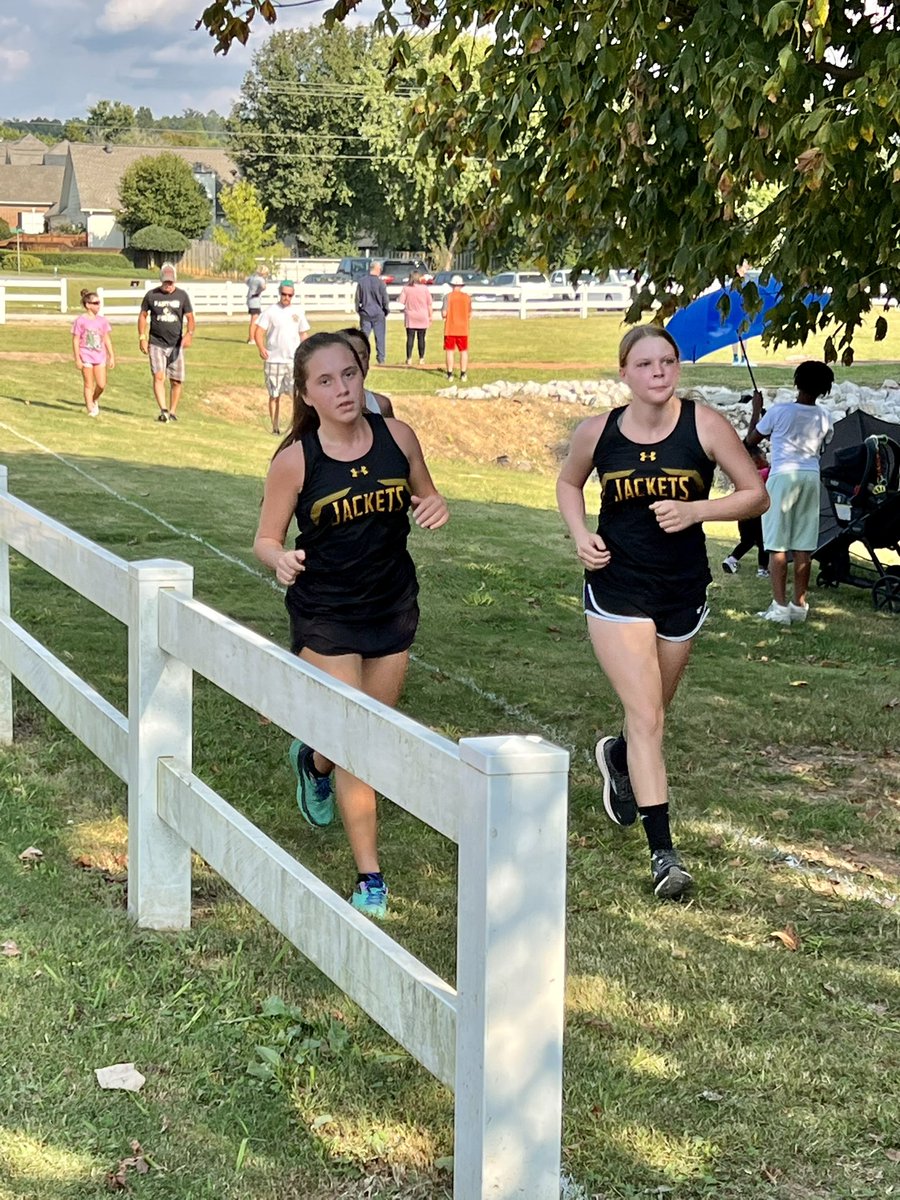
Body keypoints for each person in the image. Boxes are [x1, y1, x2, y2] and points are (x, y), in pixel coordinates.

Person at [556, 325, 768, 899]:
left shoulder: (705, 425)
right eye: (645, 363)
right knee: (648, 716)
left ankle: (618, 756)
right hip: (617, 586)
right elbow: (569, 483)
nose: (658, 372)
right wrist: (580, 533)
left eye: (667, 362)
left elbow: (755, 494)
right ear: (623, 372)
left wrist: (697, 509)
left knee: (649, 713)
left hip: (682, 590)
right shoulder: (597, 432)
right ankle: (664, 857)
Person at [253, 332, 449, 919]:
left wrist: (435, 505)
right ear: (306, 393)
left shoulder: (398, 437)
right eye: (326, 381)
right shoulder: (296, 460)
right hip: (326, 612)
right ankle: (371, 879)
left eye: (349, 375)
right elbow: (266, 539)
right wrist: (280, 559)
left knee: (371, 734)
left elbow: (428, 495)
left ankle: (313, 761)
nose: (342, 389)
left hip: (391, 605)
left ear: (363, 376)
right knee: (359, 740)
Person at [746, 360, 834, 624]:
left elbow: (750, 441)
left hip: (783, 477)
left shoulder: (779, 411)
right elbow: (823, 443)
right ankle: (799, 604)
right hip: (810, 476)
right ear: (824, 389)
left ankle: (779, 607)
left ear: (797, 382)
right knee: (804, 544)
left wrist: (757, 410)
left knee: (777, 544)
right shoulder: (824, 416)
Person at [138, 263, 195, 423]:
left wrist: (189, 334)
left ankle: (173, 411)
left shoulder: (182, 296)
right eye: (166, 282)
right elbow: (143, 316)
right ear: (161, 280)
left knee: (176, 380)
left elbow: (190, 317)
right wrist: (142, 337)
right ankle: (163, 410)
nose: (168, 285)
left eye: (171, 282)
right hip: (156, 342)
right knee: (159, 375)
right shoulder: (152, 296)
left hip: (176, 344)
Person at [254, 279, 311, 435]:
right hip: (273, 360)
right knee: (274, 394)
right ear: (279, 293)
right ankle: (275, 426)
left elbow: (303, 333)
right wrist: (261, 347)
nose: (286, 297)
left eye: (290, 295)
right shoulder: (271, 311)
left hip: (292, 360)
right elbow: (259, 331)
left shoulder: (298, 312)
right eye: (284, 294)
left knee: (295, 395)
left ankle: (297, 426)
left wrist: (305, 352)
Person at [722, 443, 770, 576]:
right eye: (763, 457)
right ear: (755, 460)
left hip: (743, 513)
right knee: (762, 541)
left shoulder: (742, 475)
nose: (765, 459)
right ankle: (762, 569)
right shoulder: (765, 473)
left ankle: (731, 559)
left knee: (747, 541)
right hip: (757, 513)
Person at [71, 288, 114, 417]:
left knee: (101, 384)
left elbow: (106, 337)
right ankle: (90, 408)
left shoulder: (102, 321)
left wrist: (111, 355)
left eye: (99, 303)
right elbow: (76, 340)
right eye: (95, 303)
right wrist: (78, 358)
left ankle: (94, 399)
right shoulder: (81, 321)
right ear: (88, 305)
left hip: (99, 356)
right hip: (86, 356)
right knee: (88, 383)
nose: (98, 306)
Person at [337, 327, 395, 417]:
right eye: (347, 356)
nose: (356, 363)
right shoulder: (320, 407)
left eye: (361, 356)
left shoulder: (381, 405)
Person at [354, 261, 390, 365]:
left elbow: (357, 299)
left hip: (365, 313)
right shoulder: (381, 283)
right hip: (378, 314)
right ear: (377, 269)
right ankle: (381, 359)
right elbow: (385, 300)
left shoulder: (361, 282)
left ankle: (362, 358)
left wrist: (359, 310)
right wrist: (386, 311)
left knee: (364, 338)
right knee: (380, 338)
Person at [397, 271, 433, 366]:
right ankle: (421, 358)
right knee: (421, 338)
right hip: (422, 315)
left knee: (410, 338)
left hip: (411, 316)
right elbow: (429, 304)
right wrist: (430, 316)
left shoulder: (406, 288)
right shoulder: (424, 289)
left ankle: (409, 358)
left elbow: (401, 301)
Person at [442, 274, 472, 381]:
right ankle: (463, 374)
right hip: (463, 329)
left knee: (450, 351)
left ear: (452, 285)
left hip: (450, 328)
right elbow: (469, 314)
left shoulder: (447, 297)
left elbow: (444, 313)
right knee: (463, 351)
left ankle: (450, 374)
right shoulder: (467, 297)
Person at [246, 264, 269, 343]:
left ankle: (250, 337)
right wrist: (260, 290)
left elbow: (246, 281)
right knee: (254, 320)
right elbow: (263, 287)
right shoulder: (260, 279)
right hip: (255, 300)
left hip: (250, 299)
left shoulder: (252, 278)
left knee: (253, 319)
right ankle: (252, 339)